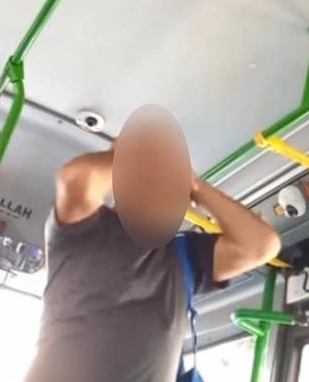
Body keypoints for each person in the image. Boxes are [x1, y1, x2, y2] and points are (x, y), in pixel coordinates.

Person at [22, 141, 281, 382]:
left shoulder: (185, 257)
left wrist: (197, 187)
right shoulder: (81, 232)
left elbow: (261, 246)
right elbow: (77, 178)